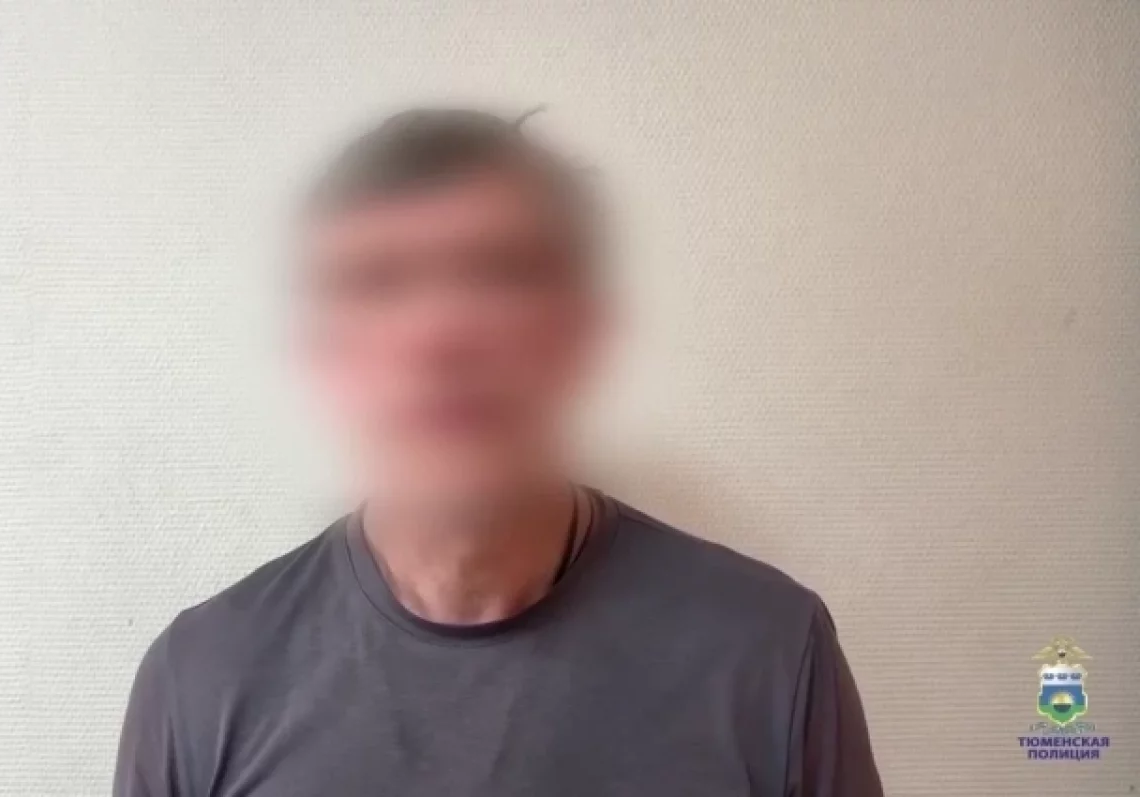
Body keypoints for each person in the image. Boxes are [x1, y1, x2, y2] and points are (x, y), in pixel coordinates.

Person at [114, 107, 883, 797]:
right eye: (379, 282)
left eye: (500, 273)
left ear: (582, 331)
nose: (441, 335)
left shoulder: (771, 649)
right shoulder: (199, 679)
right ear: (322, 352)